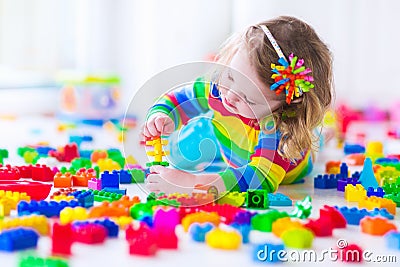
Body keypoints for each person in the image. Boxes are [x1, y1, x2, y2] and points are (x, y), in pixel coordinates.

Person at [142, 16, 333, 195]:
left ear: (287, 106)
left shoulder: (282, 134)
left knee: (312, 140)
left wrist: (192, 182)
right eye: (232, 76)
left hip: (289, 167)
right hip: (230, 142)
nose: (230, 96)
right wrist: (162, 116)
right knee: (189, 146)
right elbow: (182, 99)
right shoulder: (219, 85)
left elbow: (257, 179)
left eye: (249, 99)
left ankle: (320, 137)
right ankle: (213, 132)